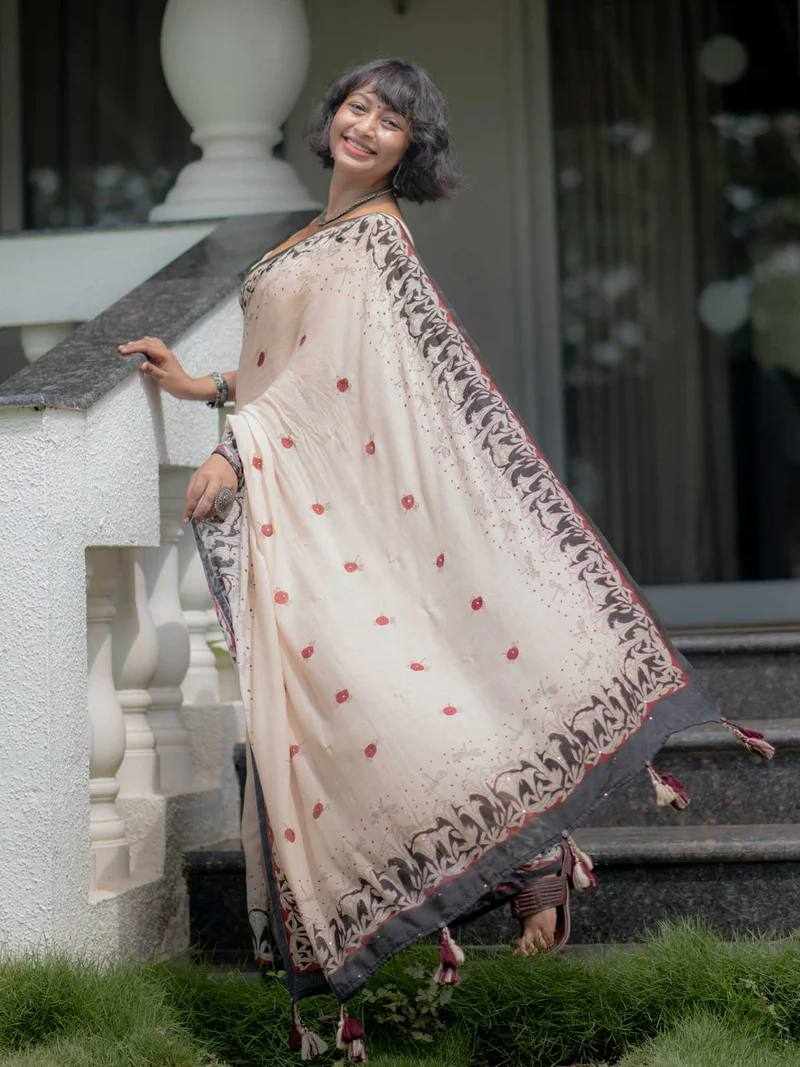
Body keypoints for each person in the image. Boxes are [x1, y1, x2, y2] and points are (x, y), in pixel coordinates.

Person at [117, 56, 776, 1063]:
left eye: (390, 121)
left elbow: (321, 391)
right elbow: (290, 372)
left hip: (334, 515)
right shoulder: (321, 234)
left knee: (370, 695)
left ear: (409, 151)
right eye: (357, 107)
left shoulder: (374, 239)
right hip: (314, 508)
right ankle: (523, 864)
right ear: (332, 116)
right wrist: (197, 387)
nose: (365, 126)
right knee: (347, 704)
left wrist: (230, 450)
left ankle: (524, 860)